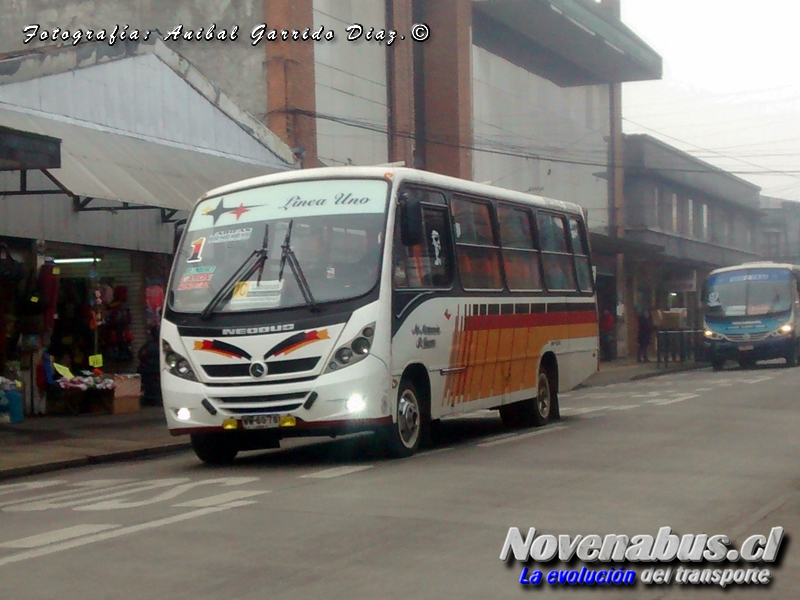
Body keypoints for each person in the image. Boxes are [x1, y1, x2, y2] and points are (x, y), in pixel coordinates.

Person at [137, 326, 161, 406]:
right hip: (155, 369)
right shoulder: (159, 346)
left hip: (148, 370)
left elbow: (140, 355)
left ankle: (149, 400)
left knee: (148, 385)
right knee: (154, 386)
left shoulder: (148, 346)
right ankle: (154, 400)